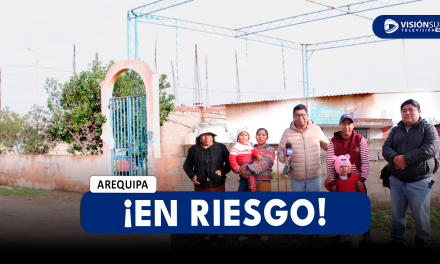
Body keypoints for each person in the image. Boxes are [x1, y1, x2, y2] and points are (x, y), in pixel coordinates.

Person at [382, 99, 439, 249]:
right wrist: (395, 158)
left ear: (419, 112)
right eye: (404, 110)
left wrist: (405, 159)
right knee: (397, 213)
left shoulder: (428, 128)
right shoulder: (395, 130)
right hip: (397, 180)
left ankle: (423, 242)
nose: (407, 113)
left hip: (419, 180)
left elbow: (430, 148)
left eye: (411, 109)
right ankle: (397, 240)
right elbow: (386, 148)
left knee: (421, 215)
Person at [277, 104, 328, 241]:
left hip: (314, 174)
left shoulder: (316, 130)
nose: (300, 118)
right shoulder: (287, 132)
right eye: (297, 115)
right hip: (296, 176)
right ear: (293, 117)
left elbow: (327, 146)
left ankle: (315, 231)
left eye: (303, 114)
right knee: (297, 204)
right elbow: (280, 152)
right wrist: (284, 157)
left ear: (307, 116)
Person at [325, 113, 372, 246]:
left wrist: (361, 180)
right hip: (339, 180)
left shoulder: (360, 139)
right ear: (340, 125)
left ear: (353, 125)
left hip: (356, 180)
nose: (346, 126)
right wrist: (333, 183)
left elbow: (365, 162)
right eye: (343, 123)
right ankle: (342, 234)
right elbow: (329, 163)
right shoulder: (333, 141)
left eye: (349, 123)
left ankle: (366, 235)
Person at [183, 125, 231, 247]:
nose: (207, 137)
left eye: (209, 135)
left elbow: (229, 163)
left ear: (213, 137)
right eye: (204, 135)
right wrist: (192, 176)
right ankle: (207, 234)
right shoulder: (193, 150)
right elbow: (187, 166)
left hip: (217, 184)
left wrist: (222, 171)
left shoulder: (220, 147)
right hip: (201, 185)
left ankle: (219, 233)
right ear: (199, 137)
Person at [237, 128, 275, 242]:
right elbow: (242, 160)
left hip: (263, 180)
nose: (261, 137)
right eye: (258, 135)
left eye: (263, 135)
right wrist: (239, 169)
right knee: (249, 207)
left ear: (267, 137)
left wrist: (247, 171)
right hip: (249, 182)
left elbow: (265, 163)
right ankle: (248, 233)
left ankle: (262, 232)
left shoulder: (270, 149)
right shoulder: (250, 149)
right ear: (255, 136)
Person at [325, 154, 366, 249]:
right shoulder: (336, 179)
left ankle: (354, 244)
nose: (344, 169)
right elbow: (331, 190)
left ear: (350, 166)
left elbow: (361, 189)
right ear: (336, 168)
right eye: (341, 166)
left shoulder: (355, 177)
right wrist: (326, 183)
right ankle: (345, 241)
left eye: (346, 166)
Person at [229, 127, 263, 192]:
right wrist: (235, 167)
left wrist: (258, 154)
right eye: (241, 135)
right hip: (243, 165)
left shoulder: (248, 145)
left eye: (246, 135)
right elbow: (232, 156)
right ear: (238, 137)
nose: (244, 137)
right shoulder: (237, 145)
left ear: (248, 137)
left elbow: (254, 150)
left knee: (247, 181)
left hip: (249, 165)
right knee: (248, 180)